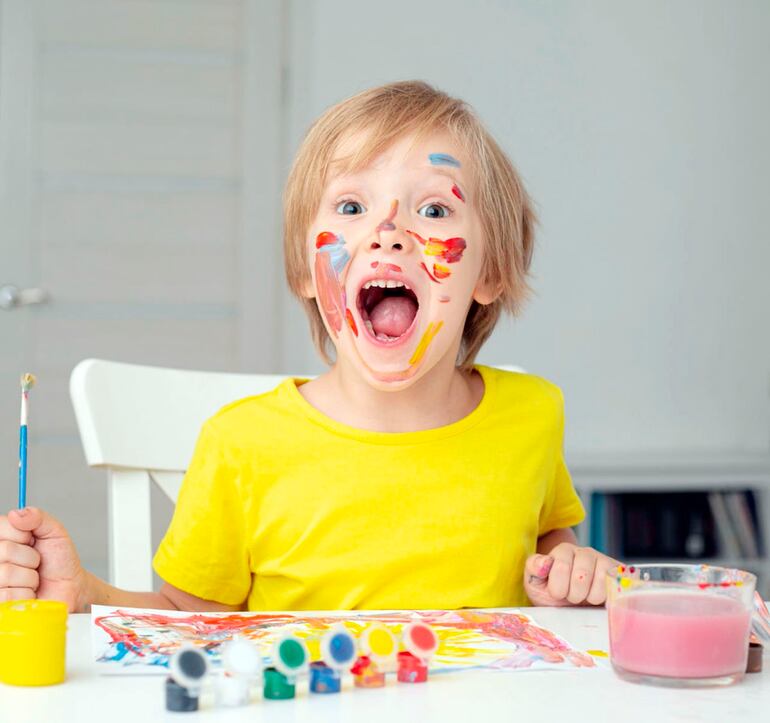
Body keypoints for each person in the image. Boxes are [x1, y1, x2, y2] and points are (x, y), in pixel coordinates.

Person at [0, 81, 617, 612]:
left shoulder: (532, 415)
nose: (388, 232)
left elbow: (547, 543)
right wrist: (79, 593)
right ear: (305, 269)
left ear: (490, 272)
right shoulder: (242, 445)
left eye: (433, 207)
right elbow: (181, 618)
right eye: (351, 205)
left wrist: (570, 571)